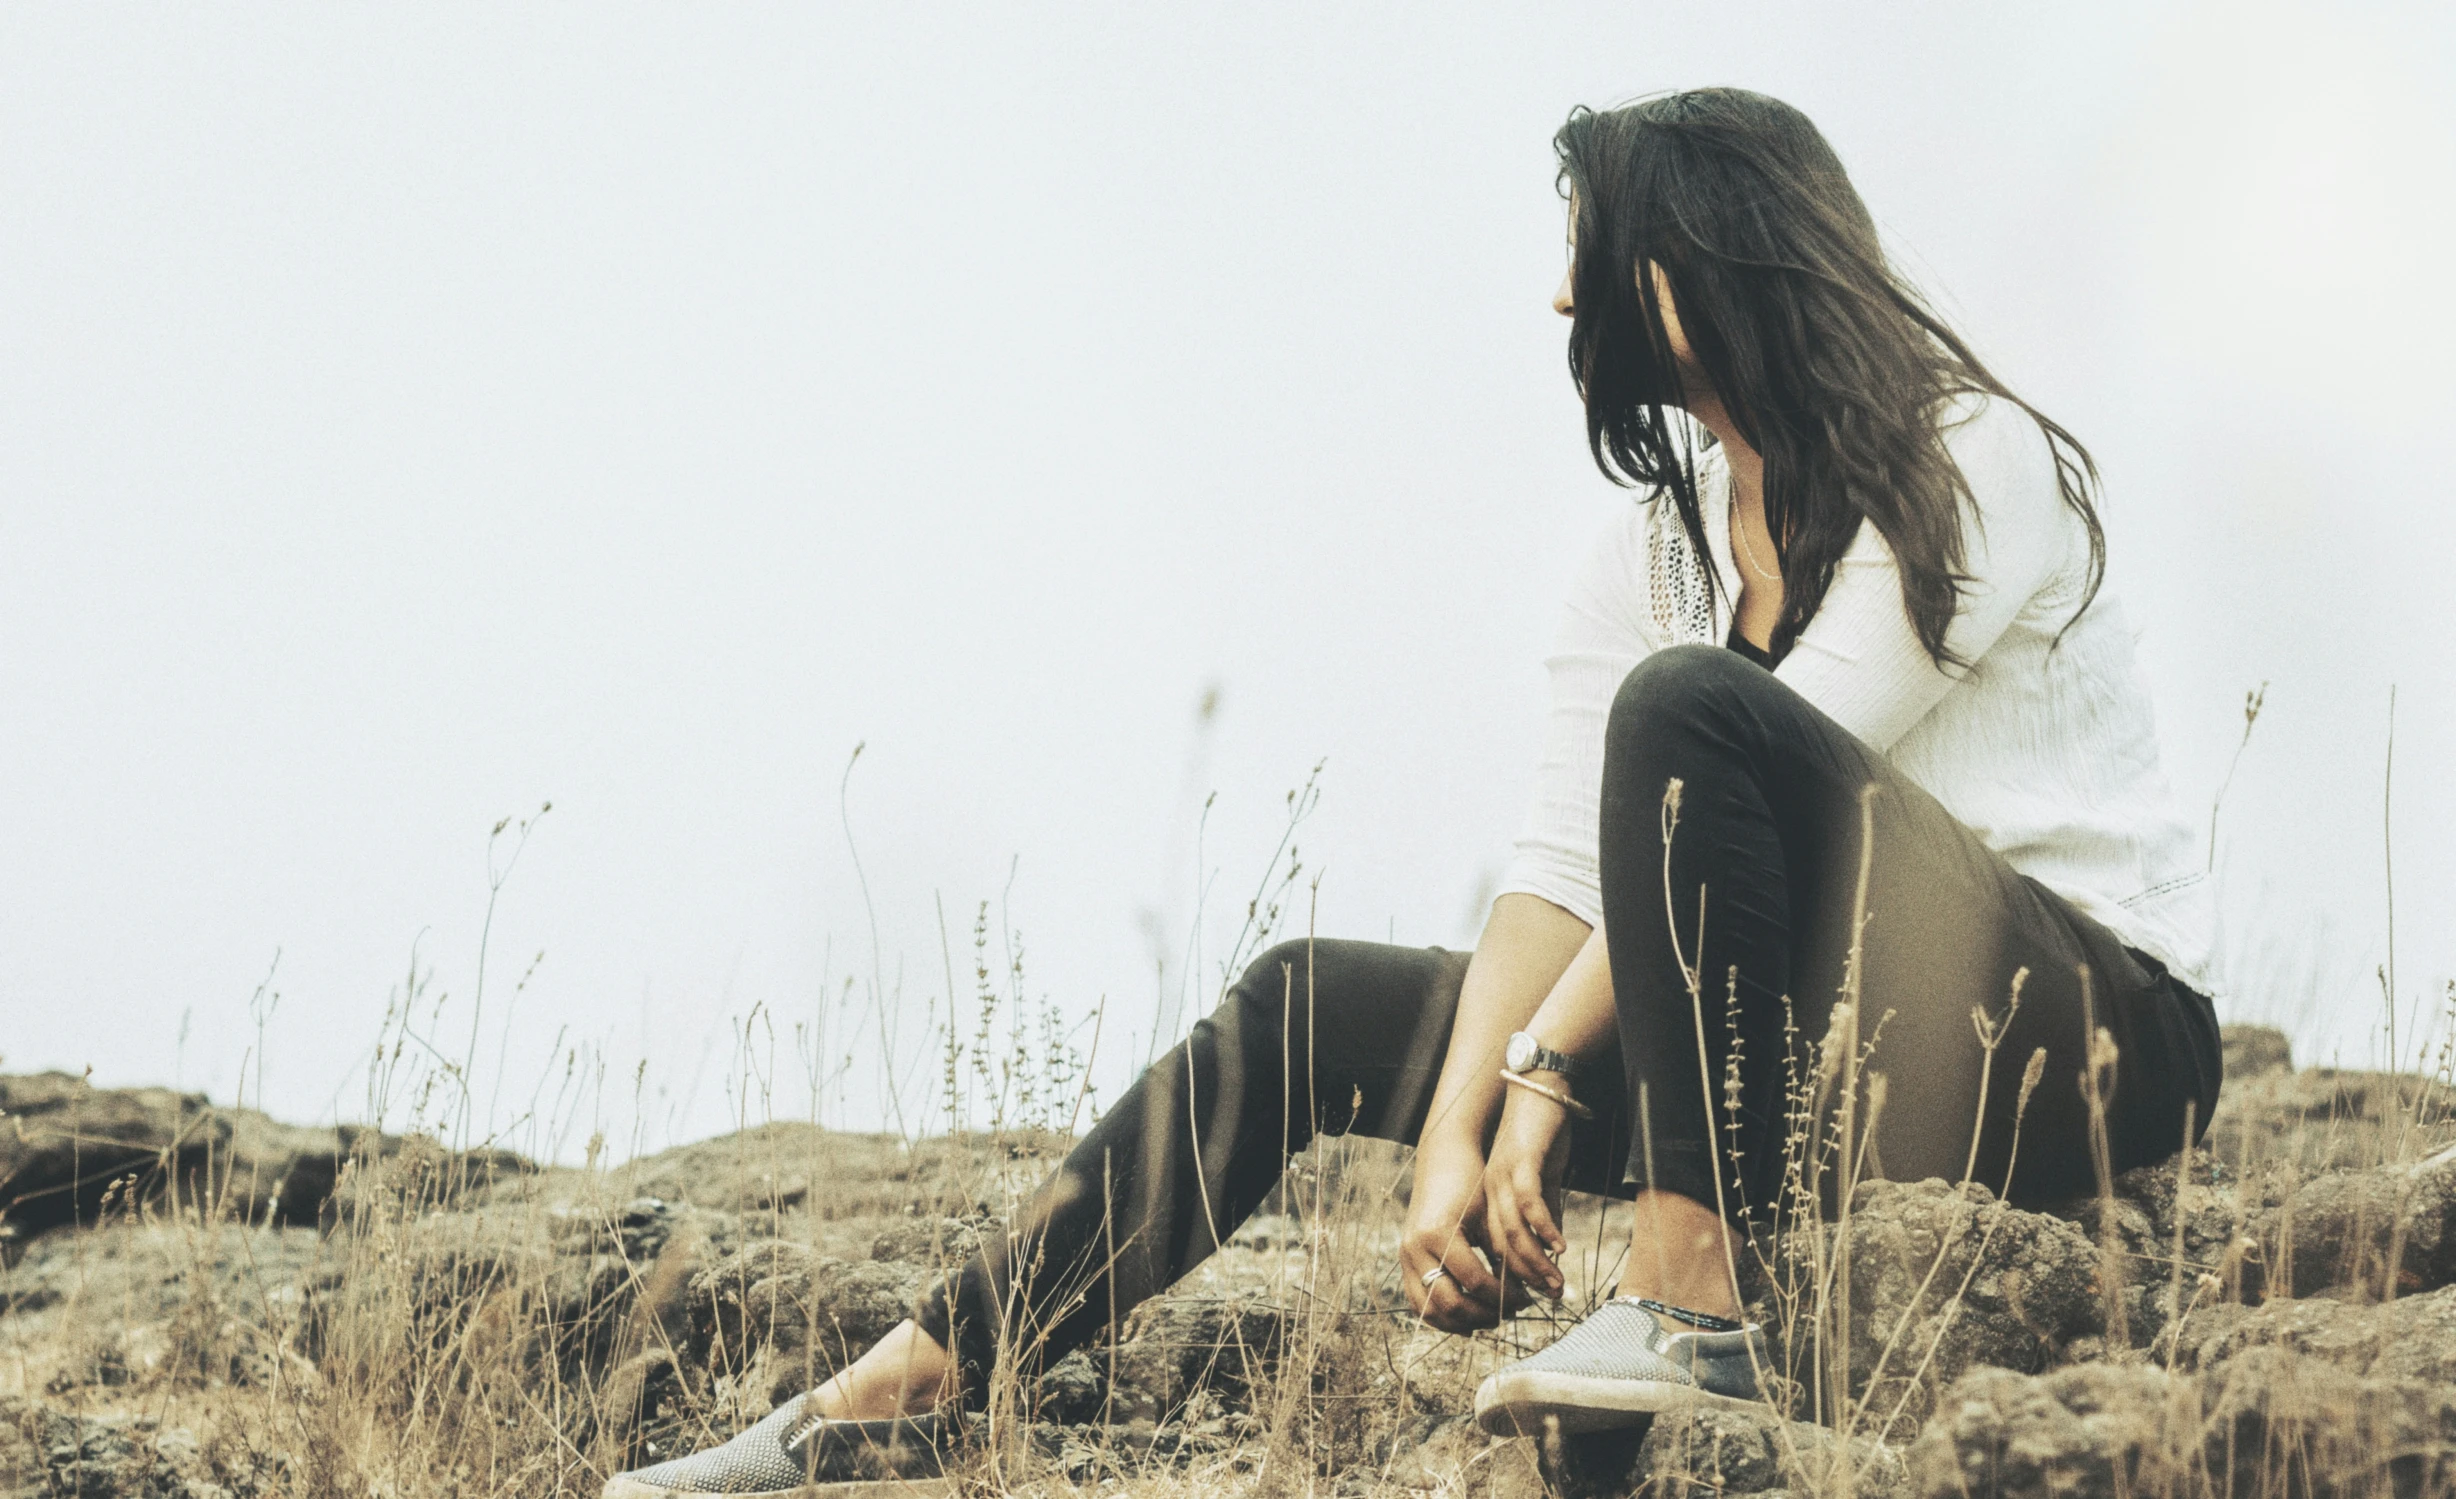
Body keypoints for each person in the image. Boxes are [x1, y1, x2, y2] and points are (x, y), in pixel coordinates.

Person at [602, 87, 2221, 1498]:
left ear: (1695, 265)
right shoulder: (1650, 553)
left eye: (1594, 248)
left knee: (1697, 712)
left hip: (2077, 1038)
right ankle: (899, 1392)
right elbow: (1553, 877)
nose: (1561, 293)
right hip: (1822, 1050)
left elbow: (1795, 739)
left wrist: (1542, 1080)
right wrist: (1456, 1134)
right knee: (1309, 1002)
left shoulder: (1970, 458)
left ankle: (1691, 1297)